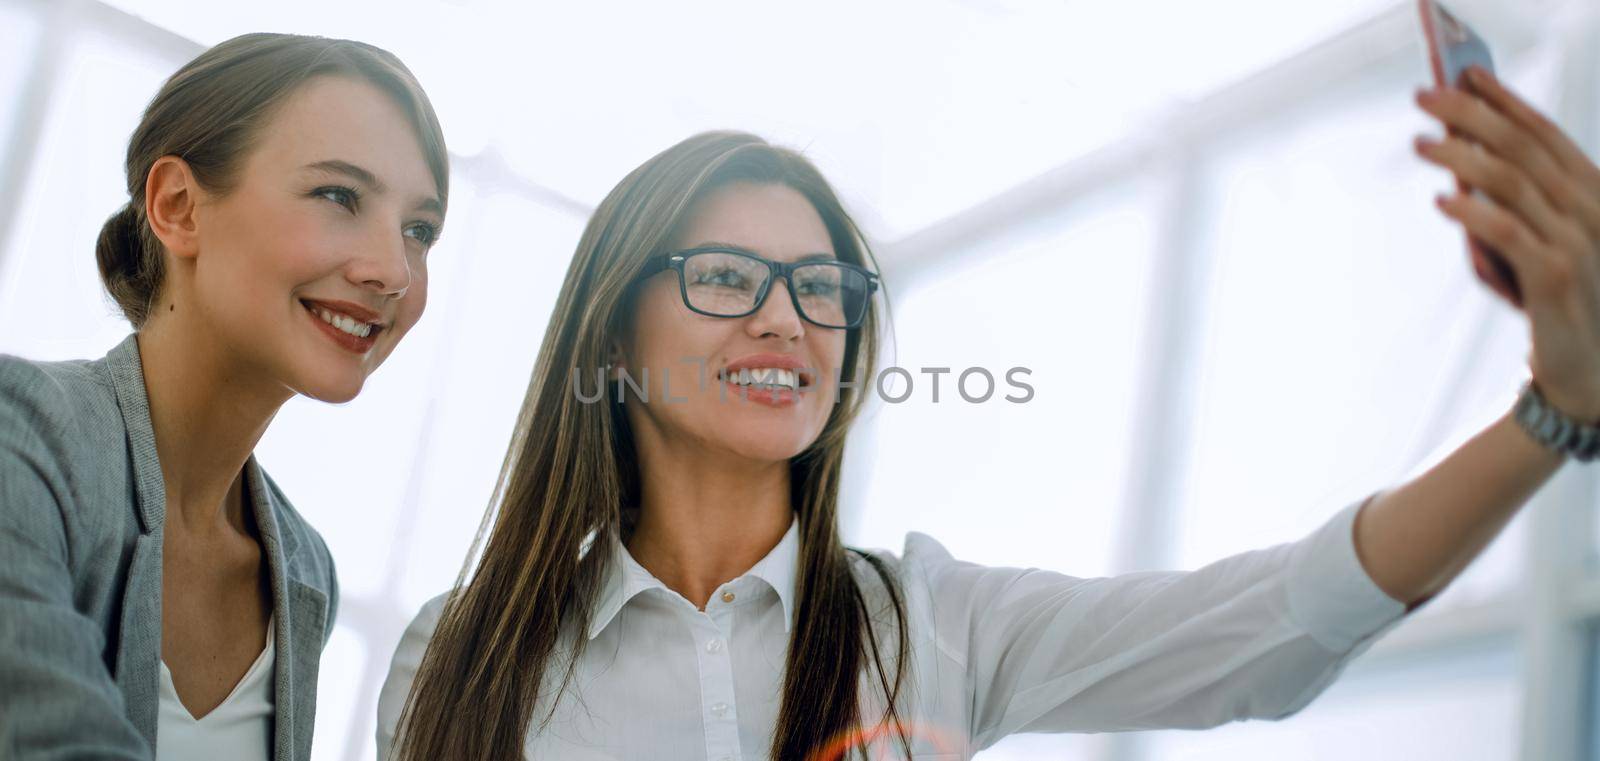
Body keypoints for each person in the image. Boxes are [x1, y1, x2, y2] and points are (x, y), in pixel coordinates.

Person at [378, 66, 1600, 760]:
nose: (781, 318)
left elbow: (1271, 624)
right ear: (611, 329)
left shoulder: (934, 625)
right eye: (721, 278)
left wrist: (1551, 413)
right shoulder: (463, 656)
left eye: (820, 287)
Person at [0, 32, 449, 761]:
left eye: (420, 230)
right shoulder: (23, 437)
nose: (393, 269)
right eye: (339, 195)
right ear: (177, 205)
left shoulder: (303, 571)